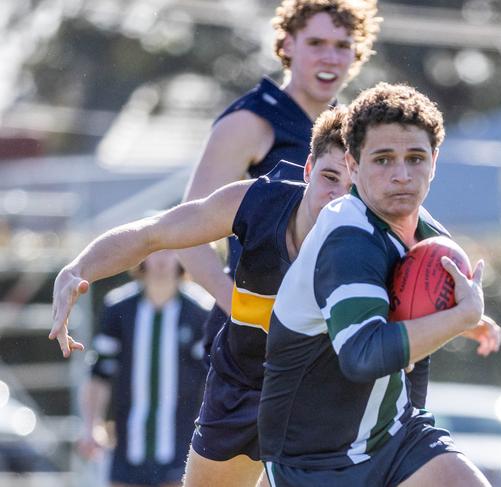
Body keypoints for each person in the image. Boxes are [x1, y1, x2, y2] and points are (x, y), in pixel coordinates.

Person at [50, 107, 354, 487]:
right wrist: (78, 268)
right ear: (308, 169)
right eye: (330, 177)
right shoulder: (255, 202)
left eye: (355, 186)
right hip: (242, 387)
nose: (340, 197)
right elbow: (154, 233)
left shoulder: (389, 235)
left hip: (322, 398)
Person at [258, 83, 501, 487]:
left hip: (395, 436)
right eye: (383, 159)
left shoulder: (429, 237)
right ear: (353, 165)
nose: (402, 175)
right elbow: (363, 355)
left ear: (435, 162)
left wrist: (463, 319)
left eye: (416, 158)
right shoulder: (347, 239)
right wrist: (460, 318)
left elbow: (416, 308)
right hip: (315, 456)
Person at [177, 0, 381, 360]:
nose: (330, 57)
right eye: (316, 43)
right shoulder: (250, 121)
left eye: (343, 45)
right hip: (251, 355)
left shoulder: (353, 131)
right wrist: (249, 314)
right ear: (287, 44)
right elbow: (186, 239)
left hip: (324, 345)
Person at [77, 250, 210, 487]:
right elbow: (99, 373)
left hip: (182, 444)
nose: (161, 258)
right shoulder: (118, 307)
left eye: (169, 250)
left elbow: (212, 380)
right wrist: (91, 425)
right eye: (153, 250)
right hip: (128, 445)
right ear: (141, 255)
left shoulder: (201, 311)